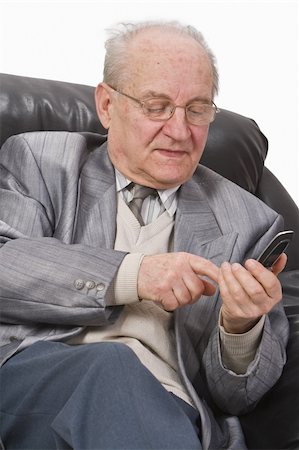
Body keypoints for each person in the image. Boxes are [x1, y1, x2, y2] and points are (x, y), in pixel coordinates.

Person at [0, 20, 289, 450]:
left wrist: (240, 326)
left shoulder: (250, 221)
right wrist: (136, 274)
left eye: (196, 109)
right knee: (111, 367)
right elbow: (7, 266)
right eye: (156, 106)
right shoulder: (41, 160)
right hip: (39, 382)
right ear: (107, 105)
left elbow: (239, 397)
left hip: (169, 411)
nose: (179, 130)